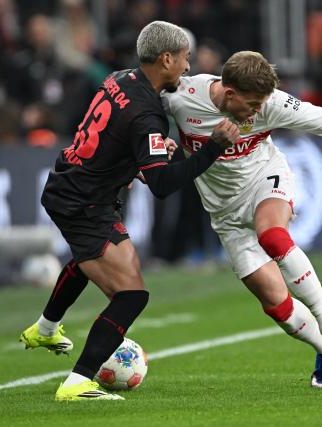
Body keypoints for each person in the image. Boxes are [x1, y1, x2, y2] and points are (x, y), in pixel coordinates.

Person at [162, 51, 322, 387]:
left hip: (265, 180)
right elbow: (137, 110)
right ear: (230, 94)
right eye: (251, 105)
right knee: (276, 304)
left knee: (272, 235)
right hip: (225, 214)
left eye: (260, 105)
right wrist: (153, 147)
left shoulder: (271, 103)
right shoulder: (182, 99)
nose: (257, 112)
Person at [18, 21, 238, 401]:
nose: (188, 68)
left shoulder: (121, 79)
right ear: (166, 58)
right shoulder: (146, 113)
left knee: (99, 261)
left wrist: (143, 158)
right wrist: (213, 148)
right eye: (185, 59)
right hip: (83, 202)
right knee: (132, 294)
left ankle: (46, 328)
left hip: (75, 186)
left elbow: (110, 138)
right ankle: (78, 382)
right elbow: (163, 185)